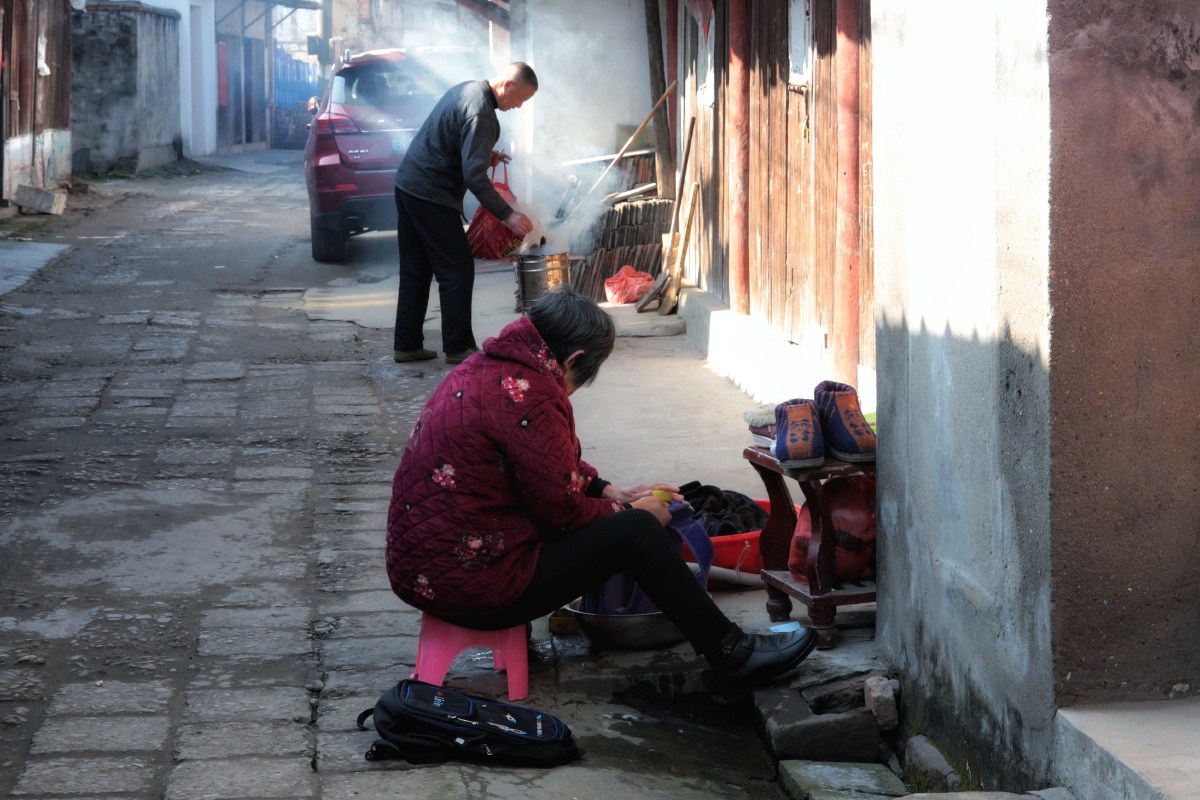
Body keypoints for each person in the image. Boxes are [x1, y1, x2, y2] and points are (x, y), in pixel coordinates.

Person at [385, 286, 818, 691]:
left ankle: (727, 645)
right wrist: (638, 513)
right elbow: (561, 514)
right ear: (572, 361)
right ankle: (730, 652)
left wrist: (607, 489)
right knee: (638, 534)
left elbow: (543, 463)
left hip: (422, 573)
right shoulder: (530, 392)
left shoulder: (487, 365)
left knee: (629, 519)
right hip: (475, 583)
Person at [392, 62, 538, 366]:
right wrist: (506, 214)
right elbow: (473, 176)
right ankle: (458, 347)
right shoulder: (482, 113)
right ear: (507, 86)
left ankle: (407, 345)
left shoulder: (469, 88)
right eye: (520, 99)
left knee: (416, 271)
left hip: (408, 185)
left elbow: (455, 140)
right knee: (456, 269)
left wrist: (486, 153)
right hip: (431, 193)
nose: (519, 106)